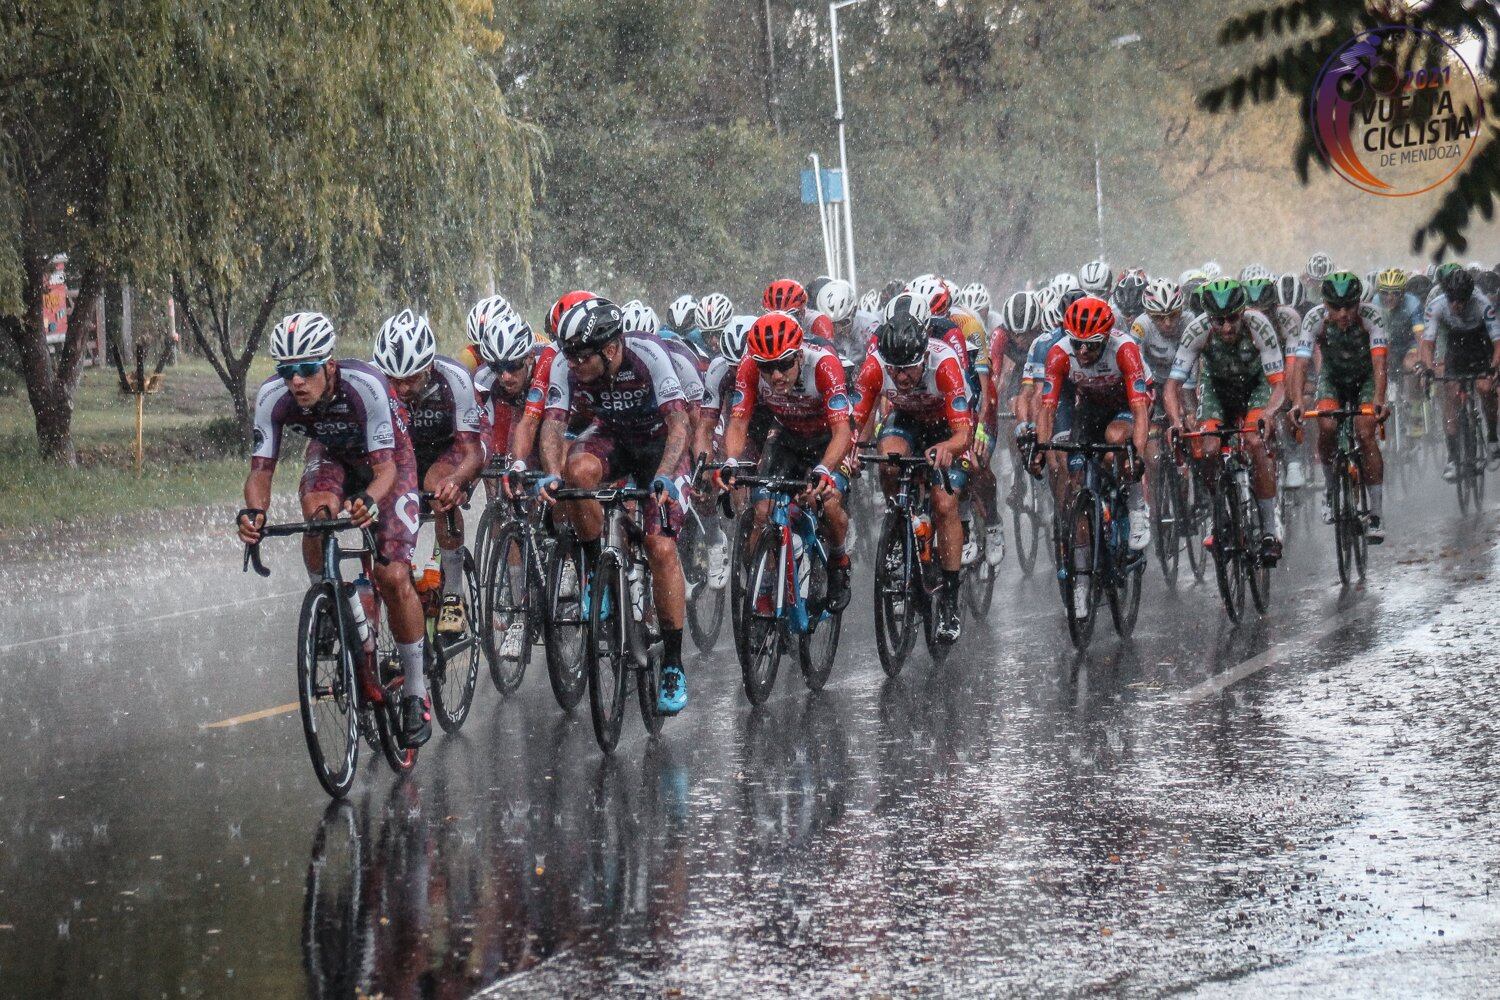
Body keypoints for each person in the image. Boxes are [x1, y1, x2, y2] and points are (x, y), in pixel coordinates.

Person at [237, 312, 431, 747]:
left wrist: (367, 501)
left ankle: (417, 692)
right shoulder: (273, 396)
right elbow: (260, 472)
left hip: (387, 459)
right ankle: (328, 599)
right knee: (317, 513)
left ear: (328, 365)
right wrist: (253, 514)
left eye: (306, 370)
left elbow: (383, 472)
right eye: (286, 372)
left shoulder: (366, 386)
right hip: (332, 452)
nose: (296, 382)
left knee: (392, 575)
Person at [536, 297, 694, 714]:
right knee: (578, 473)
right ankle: (598, 577)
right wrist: (552, 474)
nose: (572, 365)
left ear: (609, 349)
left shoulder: (648, 356)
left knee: (660, 547)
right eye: (567, 355)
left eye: (580, 358)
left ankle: (674, 665)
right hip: (615, 438)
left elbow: (680, 423)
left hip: (660, 444)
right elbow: (552, 424)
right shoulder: (564, 362)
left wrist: (664, 475)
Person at [851, 294, 974, 642]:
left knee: (945, 503)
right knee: (889, 458)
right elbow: (854, 421)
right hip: (906, 420)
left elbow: (964, 432)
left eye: (909, 368)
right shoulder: (876, 365)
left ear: (924, 357)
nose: (901, 377)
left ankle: (949, 600)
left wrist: (948, 447)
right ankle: (900, 525)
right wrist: (850, 453)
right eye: (895, 370)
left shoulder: (945, 363)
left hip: (945, 428)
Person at [718, 311, 855, 611]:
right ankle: (762, 591)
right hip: (788, 436)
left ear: (799, 357)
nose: (776, 376)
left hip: (828, 440)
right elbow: (738, 422)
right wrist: (730, 461)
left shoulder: (823, 365)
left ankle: (838, 560)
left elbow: (842, 431)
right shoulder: (749, 368)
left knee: (829, 504)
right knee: (762, 511)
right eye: (767, 368)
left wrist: (823, 469)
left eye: (783, 365)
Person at [371, 309, 486, 636]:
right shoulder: (374, 383)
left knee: (438, 486)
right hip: (403, 452)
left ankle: (453, 592)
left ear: (429, 367)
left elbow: (473, 451)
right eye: (393, 379)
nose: (401, 388)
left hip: (452, 445)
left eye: (411, 379)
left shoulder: (454, 378)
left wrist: (458, 480)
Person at [1164, 280, 1287, 561]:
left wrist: (1268, 413)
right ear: (1208, 317)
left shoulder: (1259, 326)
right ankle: (1217, 509)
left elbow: (1279, 384)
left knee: (1256, 442)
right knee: (1206, 449)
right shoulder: (1197, 330)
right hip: (1217, 390)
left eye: (1233, 318)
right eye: (1218, 321)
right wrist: (1175, 420)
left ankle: (1270, 526)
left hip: (1255, 387)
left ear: (1243, 311)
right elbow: (1172, 385)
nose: (1227, 327)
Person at [1029, 296, 1153, 573]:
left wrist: (1138, 456)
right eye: (1077, 343)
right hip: (1091, 406)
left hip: (1127, 404)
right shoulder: (1059, 353)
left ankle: (1135, 507)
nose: (1083, 352)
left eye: (1092, 344)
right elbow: (1047, 409)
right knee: (1074, 473)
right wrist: (1044, 449)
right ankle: (1085, 563)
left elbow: (1140, 410)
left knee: (1116, 440)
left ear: (1106, 338)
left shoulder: (1125, 349)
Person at [1291, 272, 1391, 541]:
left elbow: (1380, 365)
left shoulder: (1373, 317)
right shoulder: (1313, 319)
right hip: (1332, 378)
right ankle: (1331, 487)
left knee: (1365, 432)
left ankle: (1377, 514)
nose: (1344, 313)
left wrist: (1379, 399)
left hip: (1366, 378)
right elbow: (1300, 364)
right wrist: (1298, 401)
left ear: (1359, 303)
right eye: (1336, 307)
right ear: (1325, 304)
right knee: (1326, 425)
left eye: (1350, 306)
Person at [1419, 266, 1500, 480]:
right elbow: (1428, 343)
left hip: (1480, 343)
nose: (1458, 305)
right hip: (1456, 345)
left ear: (1469, 296)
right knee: (1450, 395)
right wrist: (1428, 368)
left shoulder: (1482, 304)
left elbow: (1497, 343)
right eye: (1453, 300)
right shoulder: (1437, 305)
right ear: (1447, 296)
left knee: (1485, 387)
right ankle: (1453, 457)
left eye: (1463, 300)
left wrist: (1492, 367)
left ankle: (1492, 438)